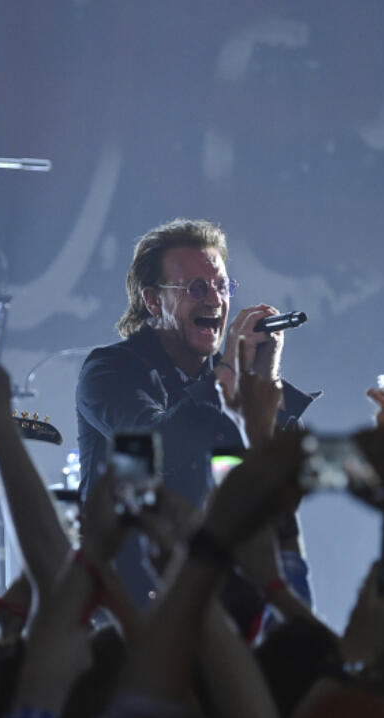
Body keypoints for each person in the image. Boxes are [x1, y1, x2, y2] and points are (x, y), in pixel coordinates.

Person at [76, 218, 317, 602]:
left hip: (214, 595)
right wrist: (230, 373)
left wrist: (263, 373)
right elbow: (160, 446)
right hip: (124, 603)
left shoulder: (224, 377)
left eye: (222, 286)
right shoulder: (109, 372)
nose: (215, 300)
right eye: (196, 288)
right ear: (153, 300)